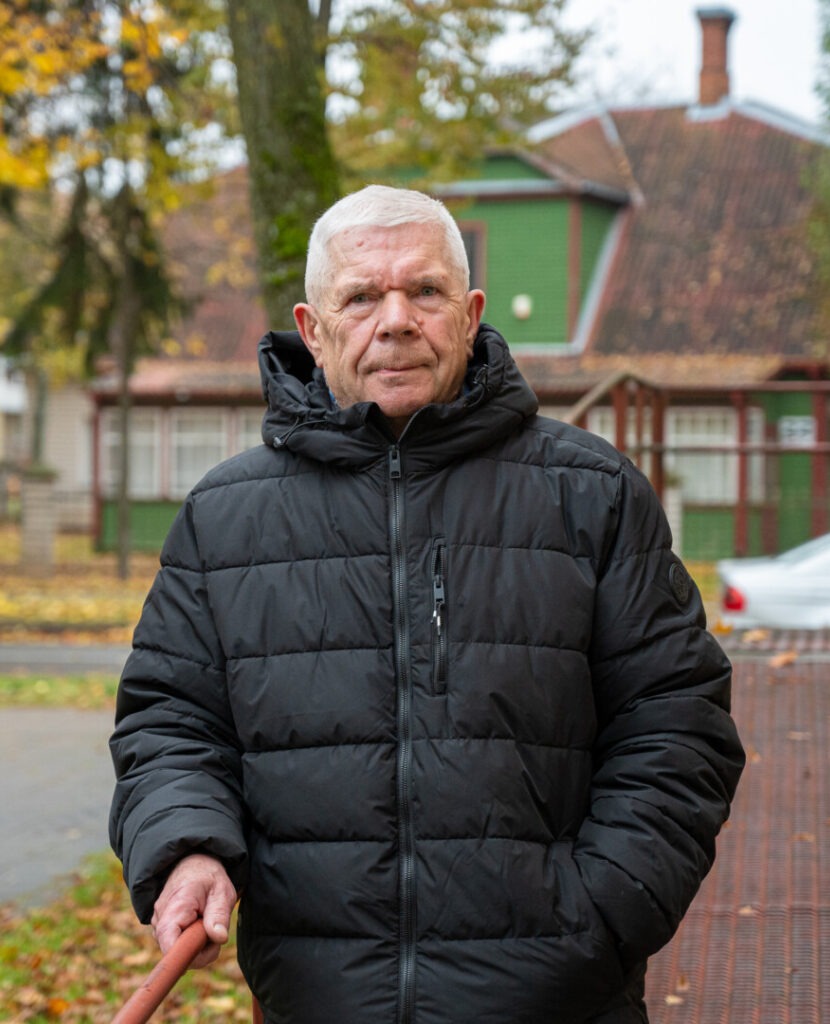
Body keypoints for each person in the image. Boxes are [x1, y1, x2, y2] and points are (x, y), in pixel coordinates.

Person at [109, 184, 744, 1023]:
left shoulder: (592, 496)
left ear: (470, 313)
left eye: (426, 291)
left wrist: (601, 913)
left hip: (559, 998)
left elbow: (677, 725)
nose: (397, 319)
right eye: (363, 296)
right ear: (313, 329)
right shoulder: (224, 518)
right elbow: (170, 724)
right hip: (319, 1000)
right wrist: (187, 847)